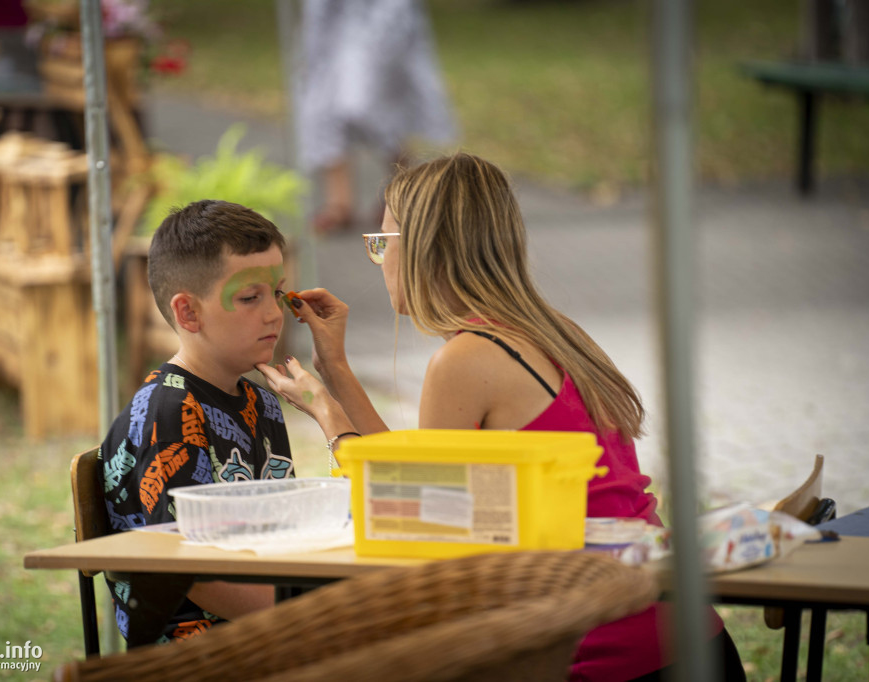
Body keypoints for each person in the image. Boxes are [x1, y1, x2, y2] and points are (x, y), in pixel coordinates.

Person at [258, 153, 746, 681]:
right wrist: (335, 368)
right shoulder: (555, 331)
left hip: (604, 651)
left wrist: (328, 417)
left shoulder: (465, 359)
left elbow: (414, 517)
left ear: (424, 248)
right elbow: (417, 473)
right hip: (685, 636)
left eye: (381, 245)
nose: (378, 263)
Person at [100, 200, 300, 646]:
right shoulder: (169, 410)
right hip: (196, 651)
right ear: (188, 312)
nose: (273, 313)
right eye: (250, 298)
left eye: (277, 293)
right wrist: (309, 615)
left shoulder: (263, 403)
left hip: (268, 632)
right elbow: (189, 572)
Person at [295, 0, 456, 234]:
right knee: (323, 109)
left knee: (375, 111)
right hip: (333, 27)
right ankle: (339, 202)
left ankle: (400, 189)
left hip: (380, 23)